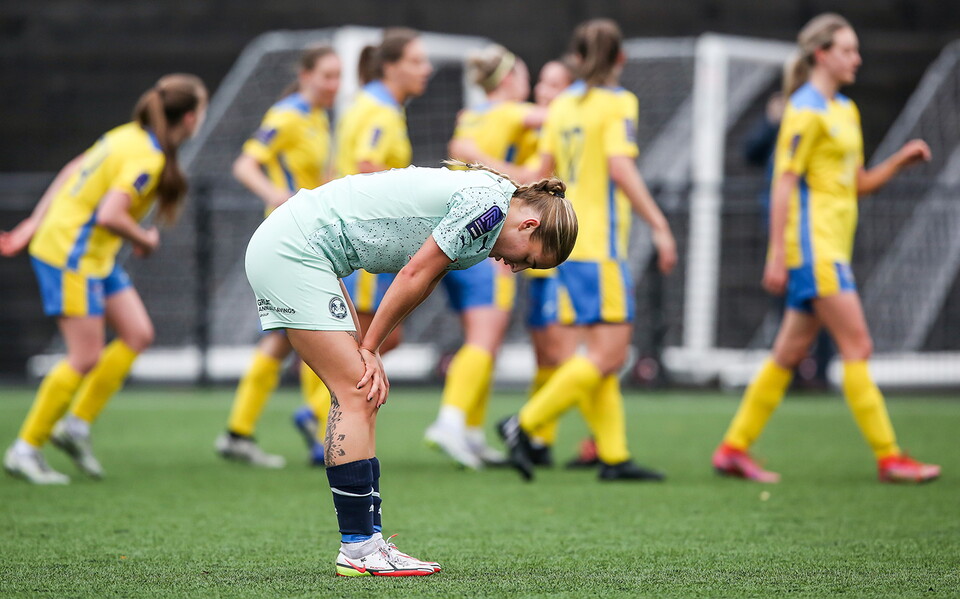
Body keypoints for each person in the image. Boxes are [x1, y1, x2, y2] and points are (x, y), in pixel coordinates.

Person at [244, 163, 577, 576]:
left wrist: (374, 346)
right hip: (294, 248)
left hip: (306, 249)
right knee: (356, 390)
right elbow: (414, 272)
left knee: (359, 392)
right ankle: (360, 550)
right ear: (528, 225)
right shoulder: (489, 207)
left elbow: (427, 276)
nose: (515, 267)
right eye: (527, 259)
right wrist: (368, 347)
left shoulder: (494, 210)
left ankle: (368, 545)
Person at [711, 13, 939, 484]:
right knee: (858, 344)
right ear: (822, 55)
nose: (857, 58)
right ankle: (890, 457)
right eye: (848, 50)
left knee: (787, 353)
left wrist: (898, 161)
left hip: (831, 247)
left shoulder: (845, 111)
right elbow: (783, 184)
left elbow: (857, 184)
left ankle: (733, 448)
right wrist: (777, 253)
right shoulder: (804, 109)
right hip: (814, 251)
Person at [1, 74, 208, 484]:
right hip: (70, 252)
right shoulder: (148, 157)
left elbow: (73, 169)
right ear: (189, 117)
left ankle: (75, 427)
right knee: (85, 356)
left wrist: (32, 222)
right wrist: (143, 237)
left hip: (93, 252)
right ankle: (25, 449)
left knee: (137, 334)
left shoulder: (129, 134)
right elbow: (110, 214)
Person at [498, 19, 678, 482]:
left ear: (577, 59)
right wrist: (659, 224)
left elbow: (539, 174)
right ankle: (526, 424)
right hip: (599, 247)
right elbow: (621, 168)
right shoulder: (618, 103)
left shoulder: (561, 108)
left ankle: (614, 457)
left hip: (565, 244)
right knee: (610, 355)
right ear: (620, 58)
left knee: (599, 352)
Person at [289, 28, 433, 453]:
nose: (426, 69)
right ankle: (322, 417)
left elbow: (341, 166)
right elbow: (369, 167)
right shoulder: (379, 111)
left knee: (371, 337)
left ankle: (318, 412)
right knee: (358, 341)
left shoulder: (365, 104)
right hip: (364, 239)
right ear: (391, 66)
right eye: (417, 61)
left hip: (352, 233)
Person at [214, 45, 341, 469]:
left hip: (310, 235)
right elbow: (245, 164)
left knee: (288, 336)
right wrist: (273, 194)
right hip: (288, 240)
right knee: (316, 327)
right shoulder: (286, 115)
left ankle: (240, 432)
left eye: (338, 76)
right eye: (327, 75)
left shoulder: (319, 117)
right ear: (305, 75)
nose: (334, 85)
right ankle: (320, 429)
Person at [423, 44, 546, 469]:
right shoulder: (513, 111)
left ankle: (471, 433)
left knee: (482, 338)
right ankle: (450, 421)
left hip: (451, 229)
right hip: (485, 232)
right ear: (509, 79)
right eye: (529, 78)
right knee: (484, 338)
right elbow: (561, 118)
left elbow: (462, 145)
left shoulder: (470, 114)